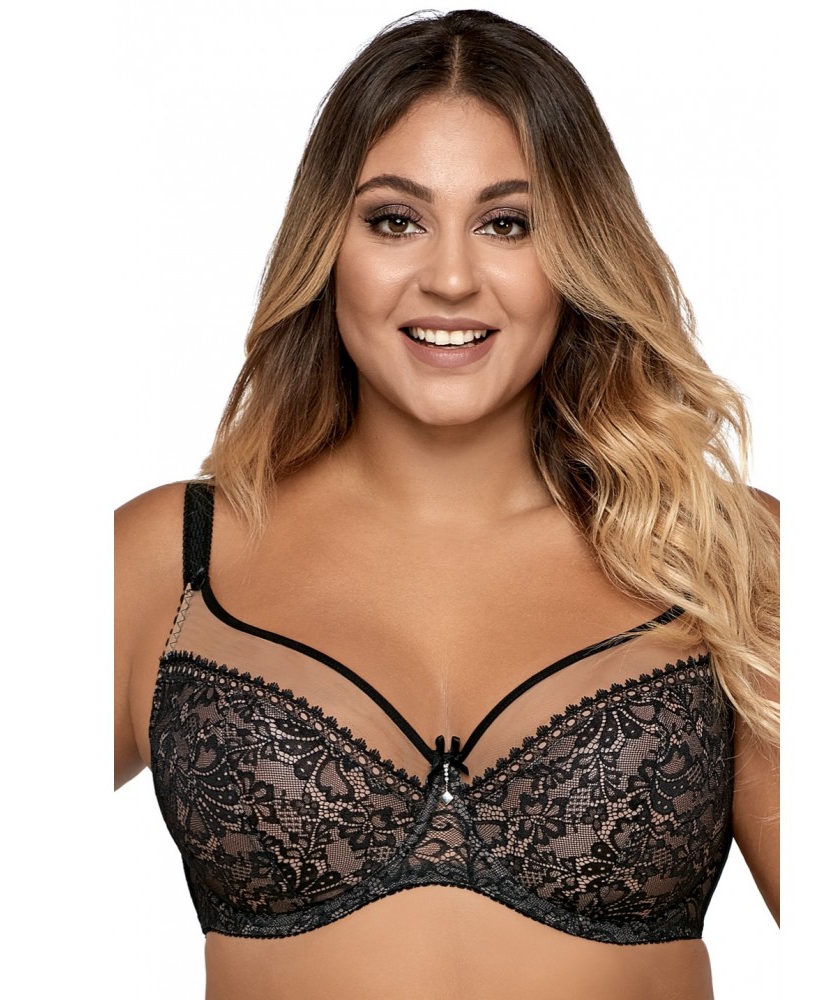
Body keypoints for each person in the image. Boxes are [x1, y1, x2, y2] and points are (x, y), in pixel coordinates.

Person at [114, 9, 779, 999]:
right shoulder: (171, 556)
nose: (452, 278)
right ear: (326, 244)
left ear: (578, 254)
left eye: (507, 224)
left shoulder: (724, 551)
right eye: (396, 220)